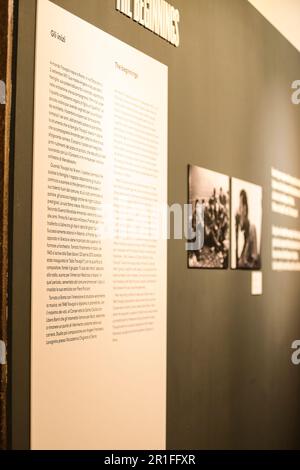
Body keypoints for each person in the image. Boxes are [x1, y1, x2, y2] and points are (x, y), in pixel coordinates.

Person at [236, 190, 260, 269]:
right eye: (241, 197)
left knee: (252, 229)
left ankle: (248, 259)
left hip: (245, 225)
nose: (241, 198)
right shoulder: (240, 207)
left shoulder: (251, 229)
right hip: (243, 226)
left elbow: (244, 217)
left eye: (242, 197)